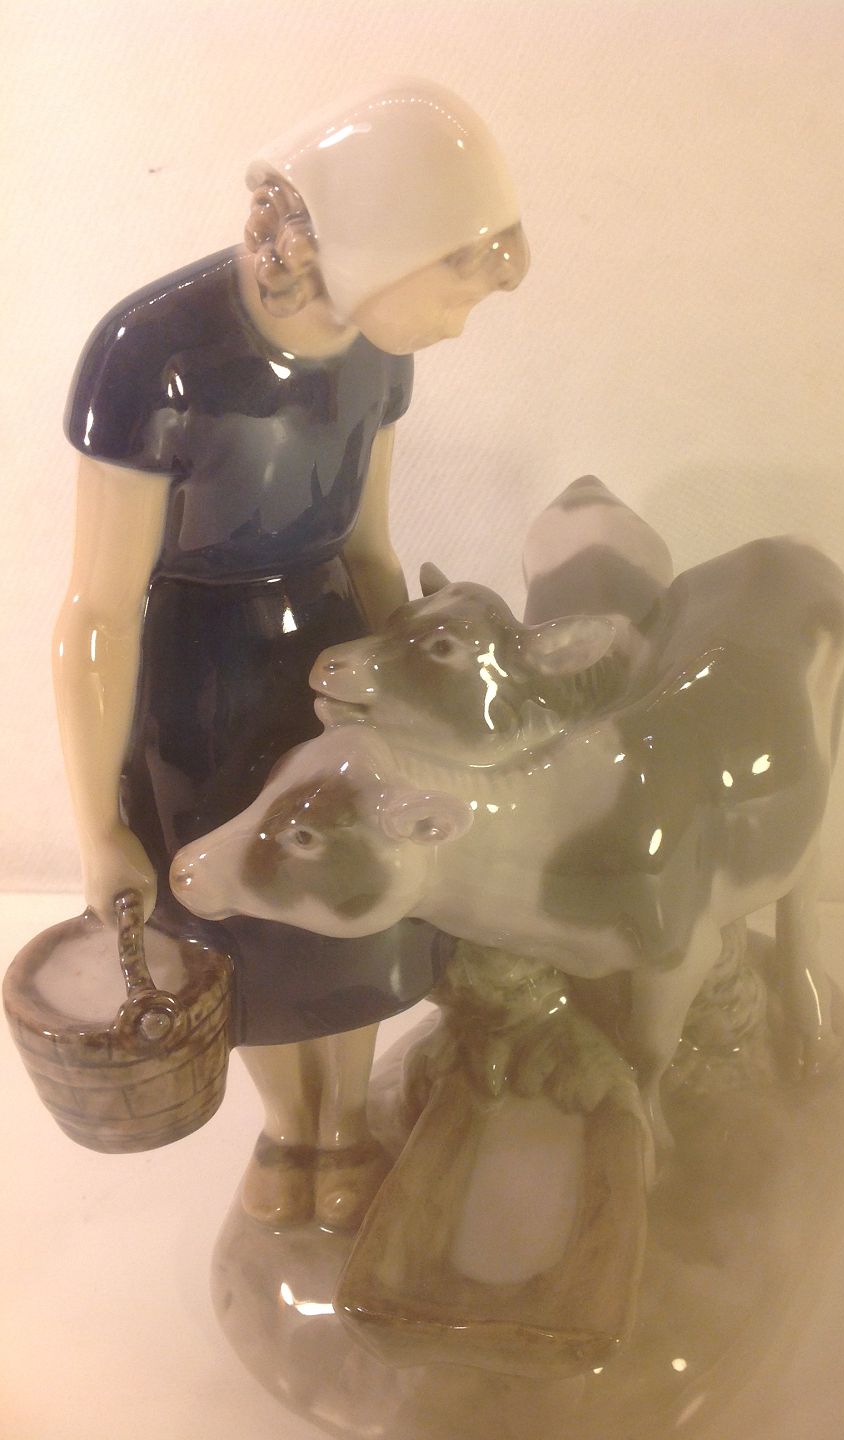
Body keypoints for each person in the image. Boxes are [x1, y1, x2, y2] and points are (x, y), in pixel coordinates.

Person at [53, 80, 530, 1228]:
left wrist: (410, 695)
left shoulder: (378, 354)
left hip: (331, 657)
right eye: (453, 289)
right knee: (246, 929)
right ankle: (288, 1132)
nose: (458, 324)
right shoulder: (151, 354)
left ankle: (345, 1123)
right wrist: (99, 824)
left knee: (346, 916)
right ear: (380, 243)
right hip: (198, 686)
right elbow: (98, 610)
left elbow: (367, 545)